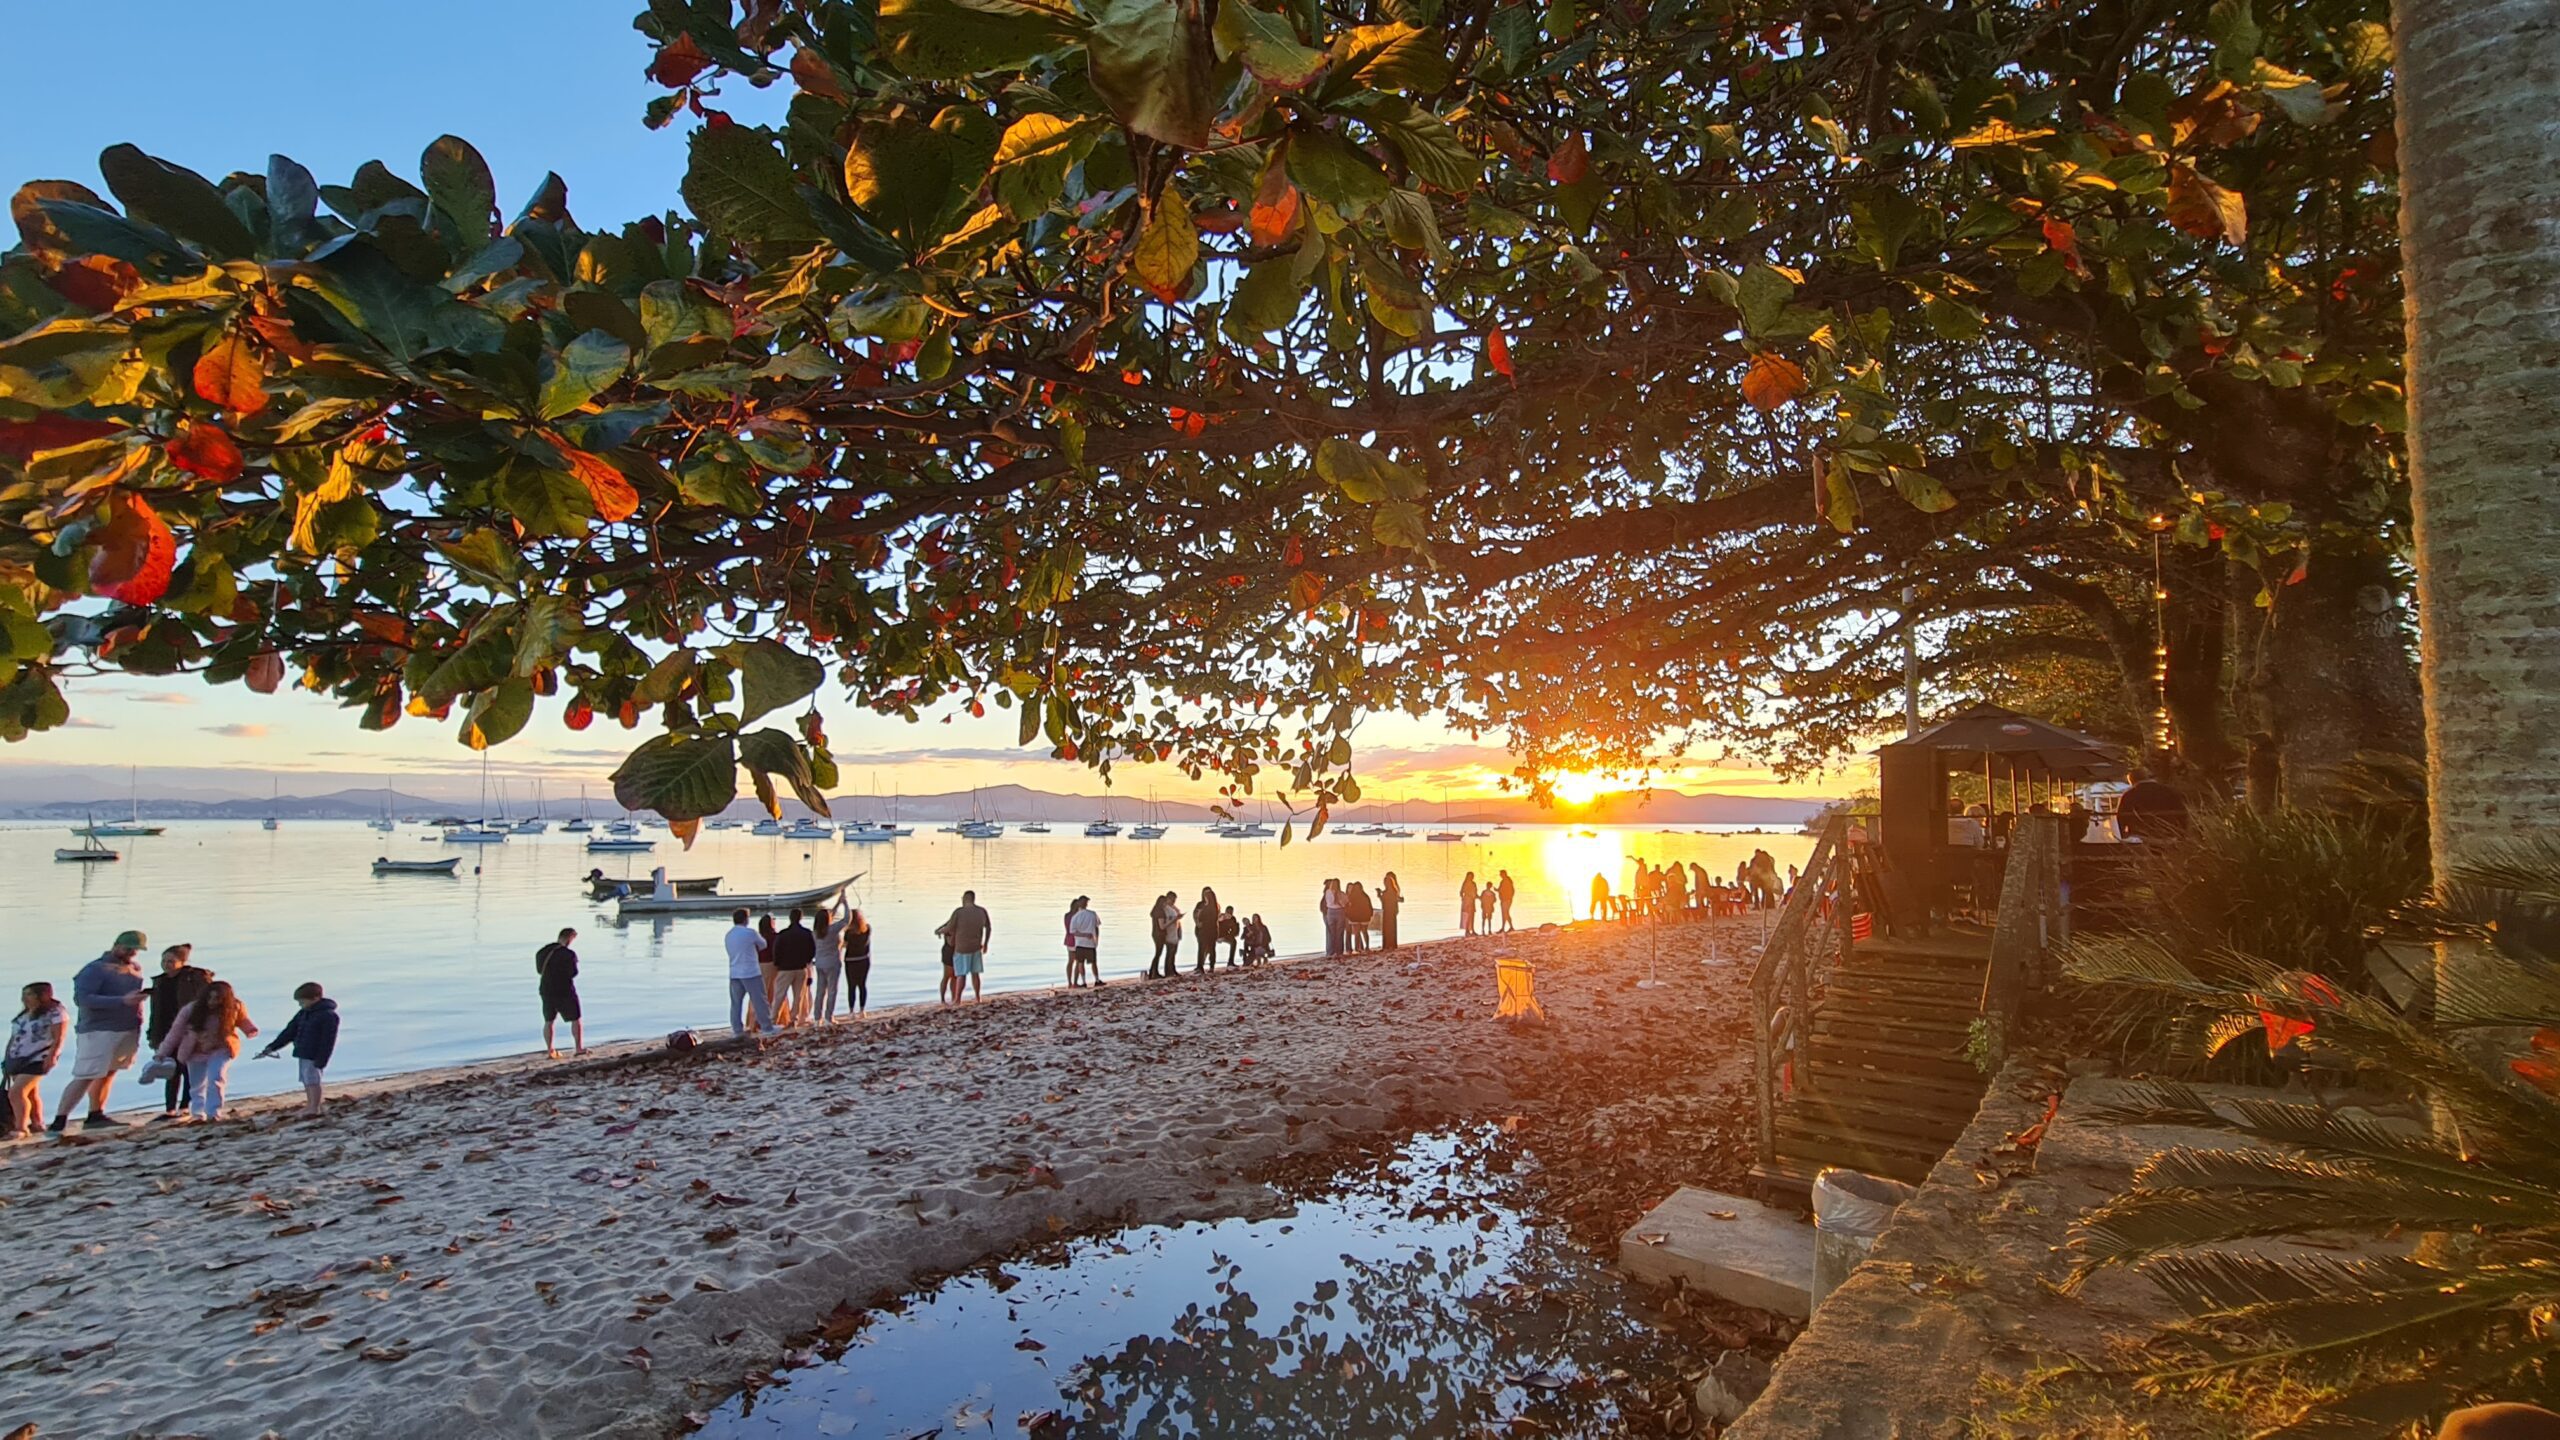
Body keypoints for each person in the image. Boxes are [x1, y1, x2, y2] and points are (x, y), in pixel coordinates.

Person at [51, 930, 150, 1134]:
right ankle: (59, 1120)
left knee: (109, 1072)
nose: (132, 953)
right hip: (98, 1029)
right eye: (128, 949)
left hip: (128, 1026)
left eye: (135, 950)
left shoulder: (134, 968)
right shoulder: (94, 969)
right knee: (86, 1074)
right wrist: (121, 1001)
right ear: (116, 945)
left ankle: (96, 1114)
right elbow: (83, 999)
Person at [154, 979, 257, 1123]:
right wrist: (162, 1052)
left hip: (221, 1049)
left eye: (217, 999)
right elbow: (175, 1033)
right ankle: (198, 1114)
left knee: (217, 1077)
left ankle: (213, 1113)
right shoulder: (190, 1009)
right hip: (195, 1051)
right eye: (210, 997)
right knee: (197, 1085)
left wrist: (250, 1029)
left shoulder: (235, 1007)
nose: (212, 1002)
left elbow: (242, 1019)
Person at [145, 943, 211, 1118]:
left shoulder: (194, 978)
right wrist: (152, 1034)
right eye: (164, 961)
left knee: (188, 1068)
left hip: (189, 1030)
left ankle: (185, 1106)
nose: (166, 965)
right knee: (170, 1069)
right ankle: (170, 1108)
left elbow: (207, 1000)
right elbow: (156, 1011)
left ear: (182, 962)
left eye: (171, 961)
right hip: (166, 1030)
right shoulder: (160, 981)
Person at [256, 982, 338, 1118]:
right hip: (303, 1052)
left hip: (315, 1054)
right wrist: (272, 1047)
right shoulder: (303, 1013)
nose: (300, 1005)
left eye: (302, 1002)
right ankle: (310, 1105)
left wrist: (322, 1059)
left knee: (313, 1080)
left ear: (315, 998)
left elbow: (328, 1040)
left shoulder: (328, 1016)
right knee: (306, 1079)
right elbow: (289, 1032)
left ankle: (315, 1107)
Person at [4, 983, 66, 1140]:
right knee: (30, 1093)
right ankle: (37, 1122)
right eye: (24, 994)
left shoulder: (55, 1012)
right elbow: (14, 1038)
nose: (25, 998)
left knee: (16, 1092)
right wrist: (7, 1059)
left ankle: (21, 1127)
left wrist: (53, 1055)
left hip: (39, 1056)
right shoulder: (24, 1015)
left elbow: (59, 1036)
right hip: (18, 1058)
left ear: (41, 995)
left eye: (29, 994)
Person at [724, 909, 775, 1038]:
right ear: (746, 919)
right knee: (760, 1001)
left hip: (734, 972)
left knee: (736, 1003)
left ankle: (737, 1030)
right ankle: (767, 1027)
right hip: (751, 972)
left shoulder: (729, 934)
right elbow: (763, 944)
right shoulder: (750, 933)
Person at [537, 927, 585, 1058]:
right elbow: (573, 973)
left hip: (546, 989)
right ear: (569, 938)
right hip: (564, 990)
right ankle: (578, 1048)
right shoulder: (568, 954)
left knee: (549, 1020)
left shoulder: (543, 952)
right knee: (575, 1018)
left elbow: (539, 970)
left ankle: (550, 1050)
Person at [939, 890, 993, 1002]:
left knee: (961, 975)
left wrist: (939, 931)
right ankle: (978, 997)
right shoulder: (982, 911)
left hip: (962, 948)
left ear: (964, 899)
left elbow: (949, 927)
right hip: (976, 947)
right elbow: (988, 927)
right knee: (975, 974)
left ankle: (957, 1000)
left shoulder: (959, 912)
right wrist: (986, 943)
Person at [772, 908, 817, 1026]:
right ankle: (794, 1019)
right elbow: (812, 950)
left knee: (779, 995)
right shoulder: (807, 933)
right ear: (801, 918)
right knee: (798, 996)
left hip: (785, 968)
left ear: (790, 918)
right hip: (801, 967)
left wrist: (778, 964)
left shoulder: (783, 934)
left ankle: (773, 1019)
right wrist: (807, 961)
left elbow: (776, 951)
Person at [812, 904, 847, 1023]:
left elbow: (830, 915)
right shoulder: (832, 930)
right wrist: (845, 903)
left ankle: (817, 1018)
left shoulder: (815, 932)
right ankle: (828, 1017)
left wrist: (838, 903)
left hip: (819, 963)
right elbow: (847, 919)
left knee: (820, 992)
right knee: (832, 991)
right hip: (832, 963)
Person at [843, 908, 875, 1016]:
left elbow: (845, 945)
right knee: (862, 985)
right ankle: (862, 1010)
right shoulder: (867, 929)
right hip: (864, 959)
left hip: (851, 960)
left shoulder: (848, 932)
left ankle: (851, 1011)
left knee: (851, 986)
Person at [1066, 897, 1101, 988]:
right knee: (1093, 962)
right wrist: (1096, 939)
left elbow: (1072, 931)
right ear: (1086, 904)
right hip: (1090, 943)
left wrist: (1083, 935)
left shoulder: (1075, 916)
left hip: (1079, 943)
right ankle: (1097, 980)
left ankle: (1083, 982)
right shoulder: (1092, 914)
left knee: (1080, 963)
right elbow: (1097, 927)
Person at [756, 915, 784, 1024]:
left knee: (760, 992)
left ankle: (756, 1019)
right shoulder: (775, 936)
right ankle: (775, 1018)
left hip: (759, 965)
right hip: (772, 965)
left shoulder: (758, 937)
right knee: (774, 991)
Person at [1149, 892, 1182, 979]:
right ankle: (1153, 972)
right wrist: (1174, 920)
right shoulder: (1160, 912)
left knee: (1159, 954)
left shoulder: (1162, 910)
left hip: (1159, 934)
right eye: (1164, 903)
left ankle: (1154, 972)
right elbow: (1162, 926)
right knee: (1158, 954)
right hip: (1159, 934)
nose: (1165, 904)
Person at [1192, 886, 1221, 974]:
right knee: (1205, 948)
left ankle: (1208, 966)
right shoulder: (1203, 905)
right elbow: (1195, 915)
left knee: (1209, 948)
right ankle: (1203, 966)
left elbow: (1211, 918)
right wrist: (1197, 923)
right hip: (1207, 929)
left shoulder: (1213, 906)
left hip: (1208, 930)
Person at [1344, 882, 1374, 953]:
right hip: (1364, 917)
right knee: (1364, 932)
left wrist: (1348, 915)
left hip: (1354, 918)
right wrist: (1370, 914)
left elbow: (1348, 907)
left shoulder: (1352, 897)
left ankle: (1357, 948)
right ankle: (1367, 947)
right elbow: (1369, 906)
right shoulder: (1365, 896)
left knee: (1356, 933)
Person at [1320, 879, 1347, 957]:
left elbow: (1326, 904)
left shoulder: (1328, 892)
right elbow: (1344, 903)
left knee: (1333, 932)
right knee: (1338, 932)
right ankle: (1337, 951)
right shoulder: (1341, 894)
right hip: (1338, 911)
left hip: (1332, 912)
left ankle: (1332, 951)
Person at [1379, 872, 1402, 951]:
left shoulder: (1387, 892)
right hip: (1392, 911)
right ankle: (1392, 944)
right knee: (1392, 928)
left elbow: (1383, 902)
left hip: (1388, 911)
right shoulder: (1394, 891)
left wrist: (1379, 895)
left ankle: (1387, 945)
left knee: (1387, 929)